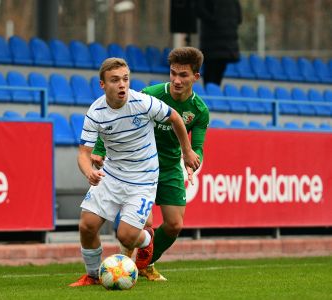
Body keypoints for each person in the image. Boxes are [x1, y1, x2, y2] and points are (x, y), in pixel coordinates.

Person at [69, 58, 199, 287]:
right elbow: (83, 153)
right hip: (111, 174)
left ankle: (147, 241)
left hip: (143, 178)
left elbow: (175, 118)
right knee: (86, 226)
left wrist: (186, 150)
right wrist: (89, 171)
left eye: (126, 79)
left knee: (126, 236)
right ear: (102, 84)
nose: (122, 85)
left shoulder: (143, 102)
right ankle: (92, 275)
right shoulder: (95, 112)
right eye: (115, 80)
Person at [197, 0, 242, 86]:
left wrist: (213, 20)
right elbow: (239, 19)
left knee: (209, 77)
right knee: (217, 76)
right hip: (228, 46)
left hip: (211, 45)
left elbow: (199, 11)